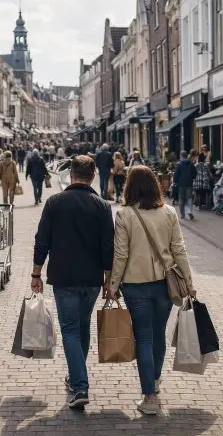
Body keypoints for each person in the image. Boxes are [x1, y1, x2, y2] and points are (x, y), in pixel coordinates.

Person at [108, 166, 195, 415]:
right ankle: (154, 382)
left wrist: (113, 285)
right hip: (165, 285)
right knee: (158, 336)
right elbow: (179, 249)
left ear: (130, 187)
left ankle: (149, 396)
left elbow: (121, 254)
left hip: (135, 286)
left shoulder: (124, 215)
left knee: (144, 338)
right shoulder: (169, 212)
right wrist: (189, 282)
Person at [31, 155, 114, 410]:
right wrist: (109, 281)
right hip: (91, 279)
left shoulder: (55, 202)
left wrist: (36, 274)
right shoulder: (102, 206)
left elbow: (42, 240)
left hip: (64, 277)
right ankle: (75, 376)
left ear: (71, 174)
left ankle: (80, 386)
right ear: (92, 176)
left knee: (69, 330)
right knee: (82, 327)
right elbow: (108, 247)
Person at [173, 151, 197, 220]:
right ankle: (189, 211)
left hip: (181, 184)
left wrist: (175, 181)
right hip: (189, 183)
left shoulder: (179, 164)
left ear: (181, 156)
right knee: (189, 198)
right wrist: (191, 178)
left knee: (181, 199)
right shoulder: (191, 164)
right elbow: (195, 173)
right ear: (186, 156)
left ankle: (182, 215)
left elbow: (176, 174)